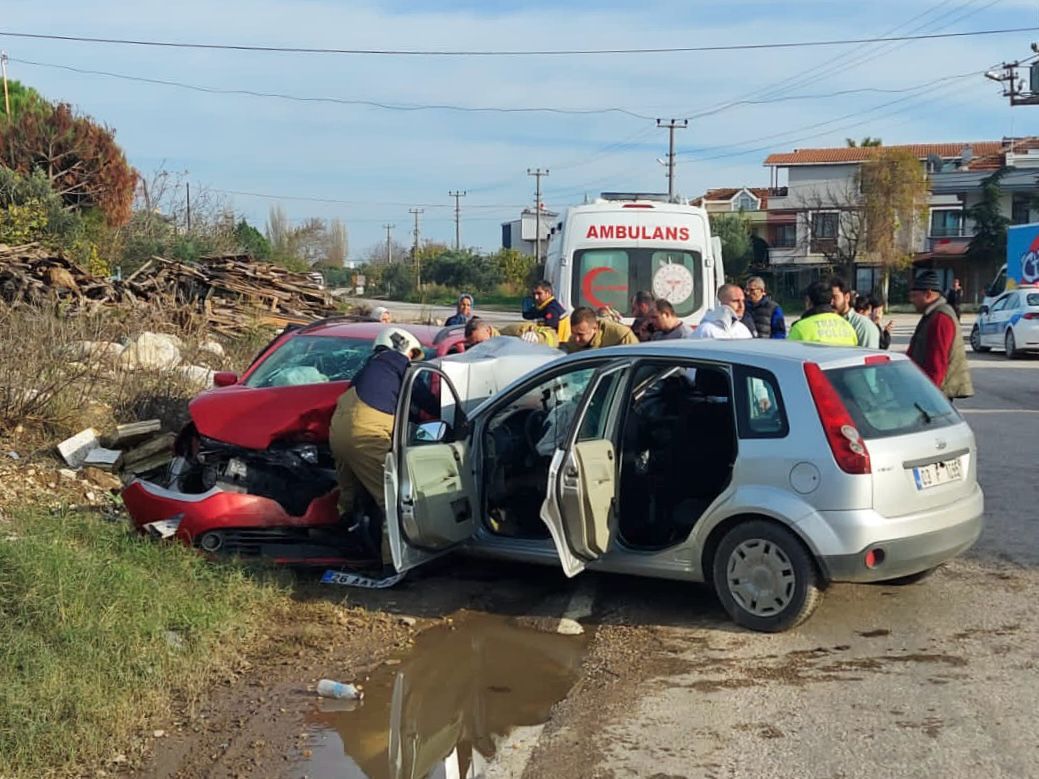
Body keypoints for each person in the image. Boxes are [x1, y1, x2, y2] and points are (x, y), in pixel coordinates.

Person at [329, 327, 427, 574]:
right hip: (365, 434)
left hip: (338, 431)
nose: (412, 360)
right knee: (391, 499)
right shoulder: (398, 364)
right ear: (403, 347)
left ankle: (337, 545)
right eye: (412, 354)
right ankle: (392, 564)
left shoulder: (368, 367)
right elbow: (423, 397)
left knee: (349, 497)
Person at [908, 269, 973, 400]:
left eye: (915, 296)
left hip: (937, 393)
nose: (912, 300)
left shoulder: (941, 319)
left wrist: (929, 397)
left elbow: (937, 364)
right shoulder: (932, 314)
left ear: (928, 294)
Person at [788, 280, 859, 345]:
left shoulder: (800, 328)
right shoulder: (848, 326)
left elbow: (789, 354)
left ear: (808, 301)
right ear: (831, 301)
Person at [564, 306, 638, 352]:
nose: (576, 339)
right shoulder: (572, 341)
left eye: (581, 334)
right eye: (573, 333)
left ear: (595, 328)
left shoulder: (621, 336)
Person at [830, 277, 879, 348]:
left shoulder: (863, 326)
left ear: (847, 297)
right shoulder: (827, 323)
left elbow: (867, 355)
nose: (831, 302)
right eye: (829, 298)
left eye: (835, 297)